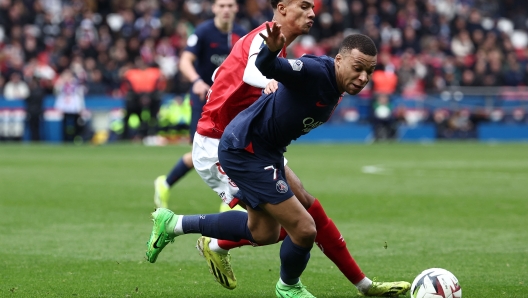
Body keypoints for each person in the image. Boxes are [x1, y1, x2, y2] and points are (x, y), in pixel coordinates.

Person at [147, 0, 411, 295]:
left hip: (260, 144)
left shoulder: (291, 54)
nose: (312, 13)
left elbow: (228, 71)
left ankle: (363, 285)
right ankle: (280, 281)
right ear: (283, 7)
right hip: (221, 142)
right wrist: (267, 80)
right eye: (304, 6)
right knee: (293, 226)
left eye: (313, 7)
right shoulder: (265, 40)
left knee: (288, 219)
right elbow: (253, 70)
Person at [153, 0, 247, 209]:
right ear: (214, 8)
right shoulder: (203, 32)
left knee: (231, 148)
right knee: (202, 153)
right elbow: (185, 60)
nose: (226, 10)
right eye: (221, 5)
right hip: (203, 100)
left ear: (236, 9)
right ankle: (165, 183)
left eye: (230, 5)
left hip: (230, 102)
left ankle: (230, 201)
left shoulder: (242, 34)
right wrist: (196, 81)